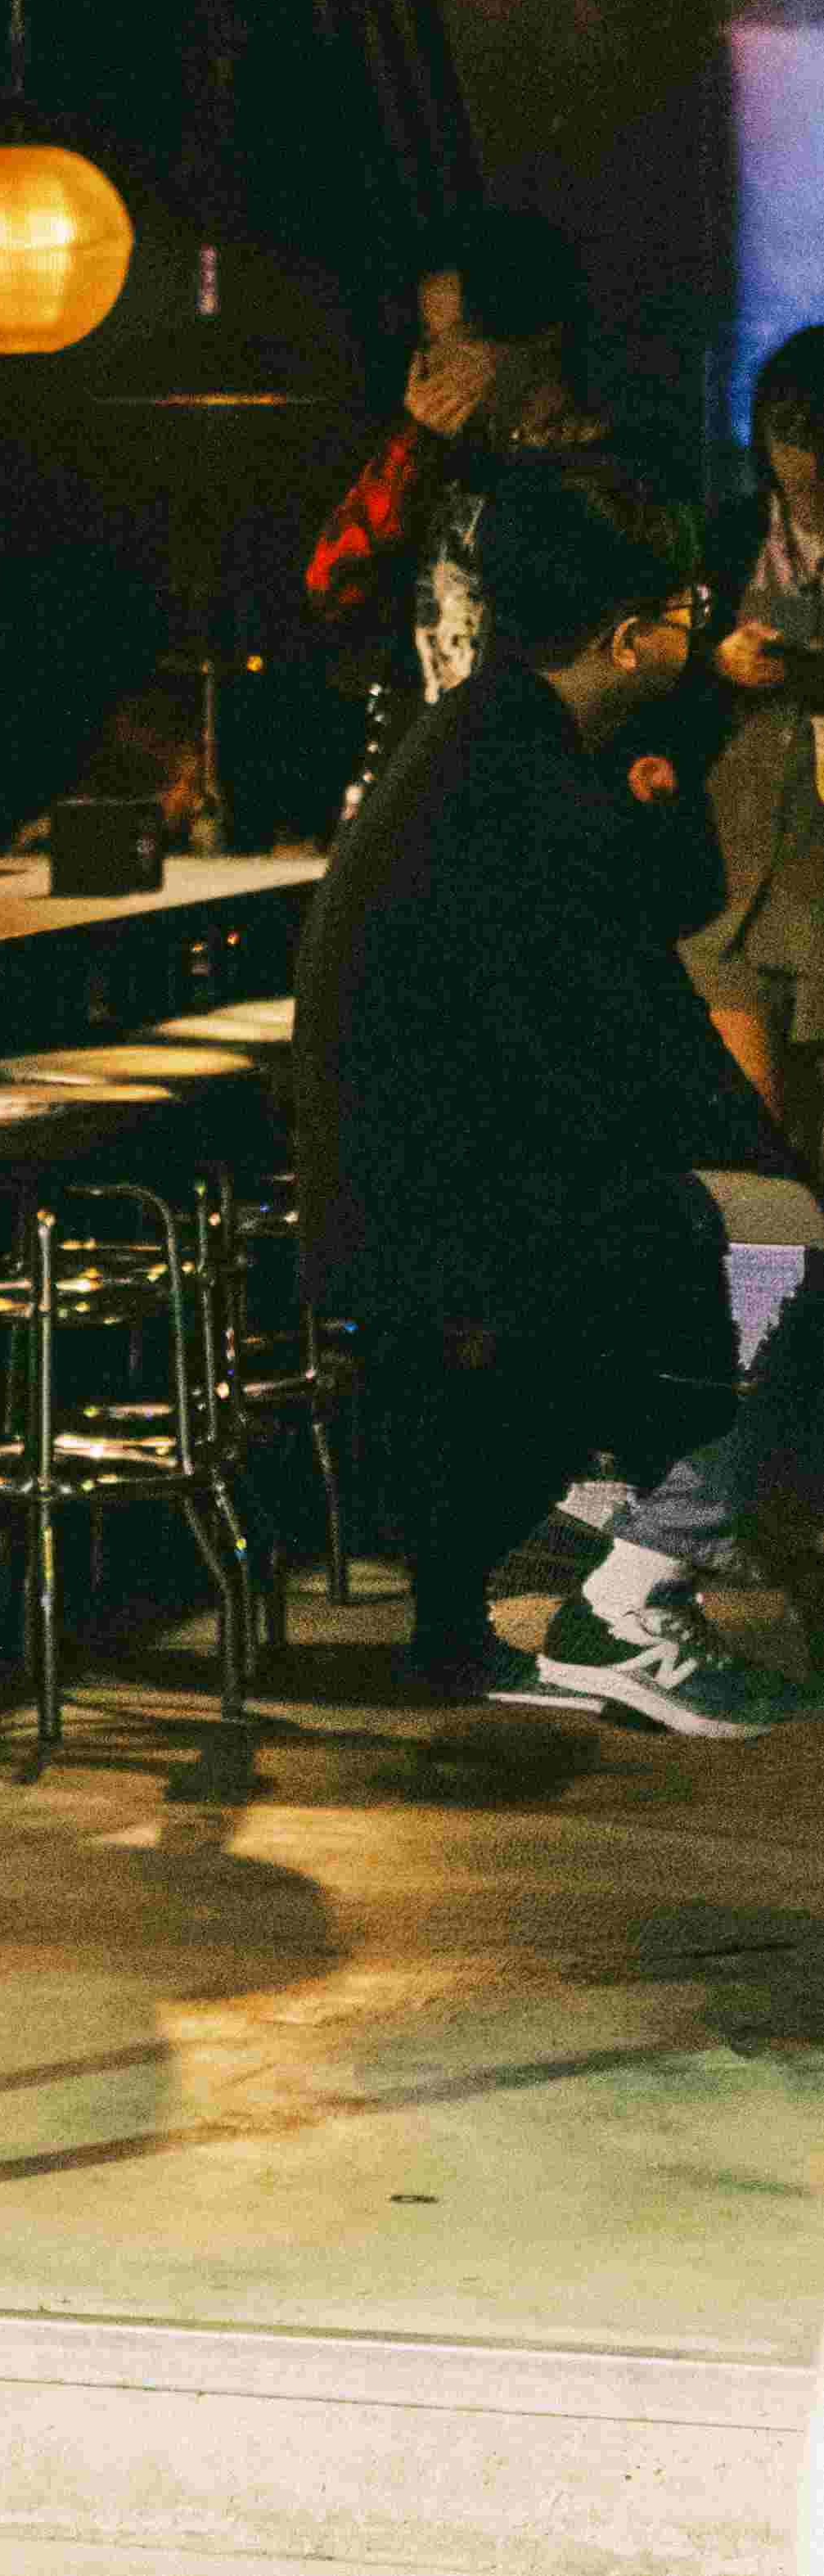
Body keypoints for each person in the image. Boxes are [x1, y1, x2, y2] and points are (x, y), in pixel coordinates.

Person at [295, 453, 824, 1731]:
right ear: (629, 638)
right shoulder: (529, 784)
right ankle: (635, 1586)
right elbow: (629, 1039)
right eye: (685, 610)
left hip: (404, 1172)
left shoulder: (480, 734)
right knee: (789, 1242)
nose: (700, 627)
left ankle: (595, 1522)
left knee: (753, 1212)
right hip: (448, 1207)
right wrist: (769, 1172)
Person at [301, 207, 602, 774]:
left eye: (458, 340)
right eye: (427, 340)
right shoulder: (438, 461)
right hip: (429, 773)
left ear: (535, 339)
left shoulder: (605, 475)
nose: (431, 364)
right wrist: (411, 450)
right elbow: (332, 587)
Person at [678, 327, 824, 1144]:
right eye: (789, 434)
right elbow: (657, 671)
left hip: (813, 864)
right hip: (730, 862)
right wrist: (716, 662)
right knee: (751, 1139)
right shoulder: (730, 534)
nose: (807, 462)